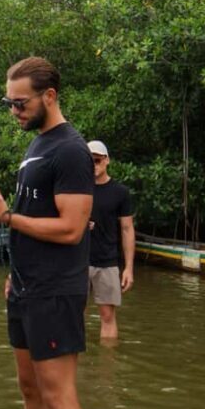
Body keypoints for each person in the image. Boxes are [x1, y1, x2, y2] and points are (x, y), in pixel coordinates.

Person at [0, 57, 93, 409]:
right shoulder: (37, 145)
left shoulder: (71, 150)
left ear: (49, 96)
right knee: (30, 389)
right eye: (9, 103)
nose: (14, 111)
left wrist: (5, 217)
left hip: (55, 289)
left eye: (20, 103)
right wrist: (13, 272)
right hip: (24, 286)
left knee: (59, 394)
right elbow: (32, 219)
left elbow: (71, 229)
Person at [87, 140, 135, 342]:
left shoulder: (120, 192)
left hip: (107, 261)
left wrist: (128, 268)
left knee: (107, 316)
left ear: (107, 160)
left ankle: (107, 370)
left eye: (97, 160)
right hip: (77, 260)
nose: (94, 164)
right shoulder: (77, 189)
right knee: (71, 314)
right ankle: (72, 368)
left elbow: (126, 229)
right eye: (89, 160)